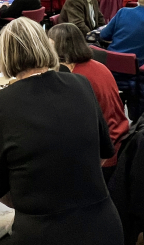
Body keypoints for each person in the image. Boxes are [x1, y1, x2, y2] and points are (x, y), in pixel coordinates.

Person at [0, 17, 124, 245]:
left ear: (7, 56)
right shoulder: (80, 84)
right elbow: (101, 156)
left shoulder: (0, 103)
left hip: (43, 240)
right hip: (103, 228)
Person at [48, 22, 129, 175]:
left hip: (102, 153)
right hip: (119, 137)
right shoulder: (98, 66)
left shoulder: (75, 79)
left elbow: (66, 123)